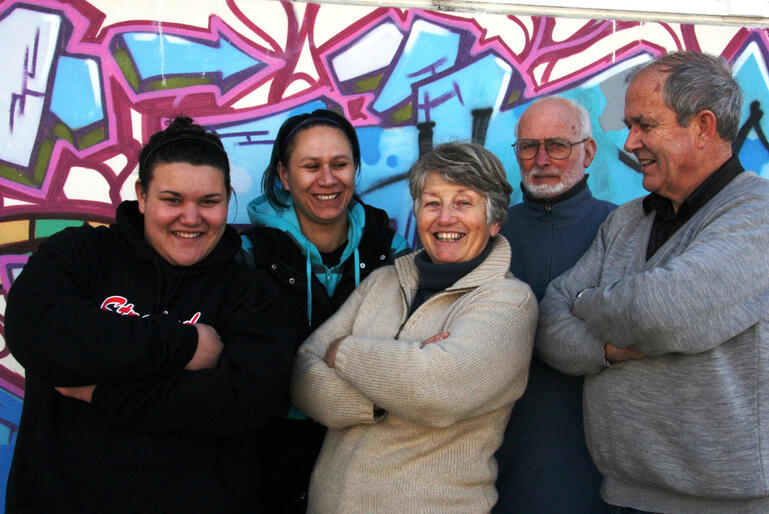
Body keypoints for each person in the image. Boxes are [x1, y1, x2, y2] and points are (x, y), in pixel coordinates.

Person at [4, 117, 295, 512]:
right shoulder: (79, 254)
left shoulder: (253, 292)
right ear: (142, 196)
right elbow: (38, 335)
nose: (190, 218)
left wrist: (101, 392)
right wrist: (185, 344)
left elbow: (240, 403)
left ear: (227, 198)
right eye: (172, 200)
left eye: (208, 202)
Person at [537, 51, 769, 512]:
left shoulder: (756, 214)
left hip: (728, 502)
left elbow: (659, 313)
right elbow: (548, 323)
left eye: (645, 125)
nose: (630, 141)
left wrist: (586, 301)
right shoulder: (625, 222)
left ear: (702, 126)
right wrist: (605, 349)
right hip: (623, 493)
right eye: (629, 125)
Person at [291, 141, 538, 513]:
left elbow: (435, 389)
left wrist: (341, 350)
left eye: (464, 203)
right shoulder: (383, 281)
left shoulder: (509, 302)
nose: (445, 218)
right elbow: (301, 373)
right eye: (432, 202)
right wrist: (378, 399)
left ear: (494, 220)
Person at [238, 109, 409, 512]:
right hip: (271, 458)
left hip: (366, 452)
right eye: (311, 166)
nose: (328, 179)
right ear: (284, 175)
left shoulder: (391, 250)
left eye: (340, 164)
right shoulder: (250, 258)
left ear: (355, 168)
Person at [494, 97, 615, 513]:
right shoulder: (491, 235)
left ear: (589, 151)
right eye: (529, 146)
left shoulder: (622, 230)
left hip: (600, 455)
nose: (542, 159)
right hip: (501, 452)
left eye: (558, 145)